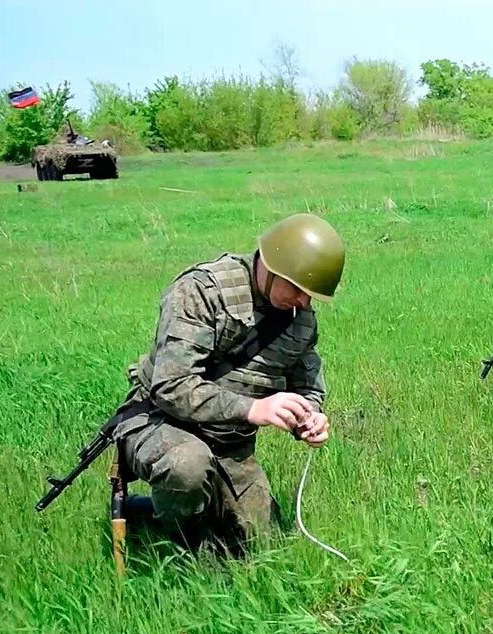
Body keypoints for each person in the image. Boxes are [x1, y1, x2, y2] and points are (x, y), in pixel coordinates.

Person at [111, 213, 346, 551]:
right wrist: (253, 408)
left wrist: (310, 417)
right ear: (271, 264)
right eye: (297, 288)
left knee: (265, 545)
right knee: (188, 468)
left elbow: (306, 386)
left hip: (227, 440)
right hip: (158, 422)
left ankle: (171, 519)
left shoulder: (300, 321)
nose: (304, 302)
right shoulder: (202, 291)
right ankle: (167, 541)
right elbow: (171, 385)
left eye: (312, 295)